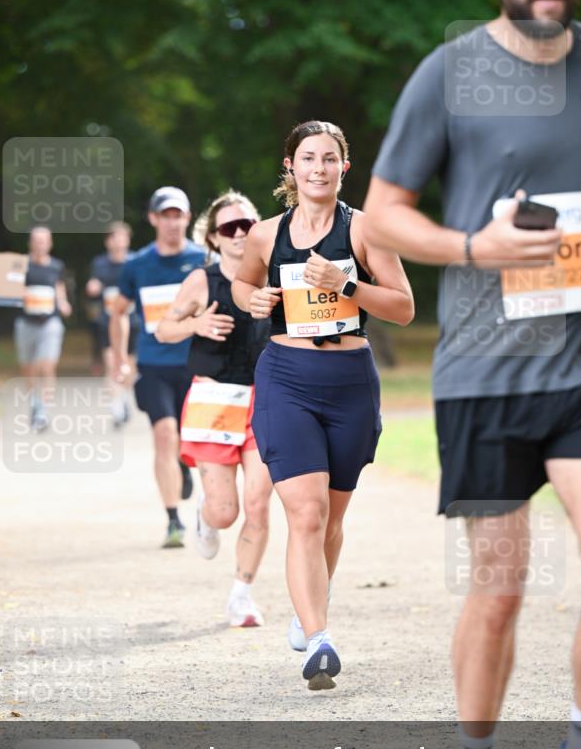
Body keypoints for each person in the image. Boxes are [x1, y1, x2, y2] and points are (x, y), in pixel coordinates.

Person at [363, 0, 581, 749]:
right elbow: (382, 212)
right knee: (501, 587)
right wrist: (470, 247)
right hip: (483, 367)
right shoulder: (449, 73)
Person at [232, 120, 414, 690]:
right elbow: (242, 284)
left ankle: (308, 602)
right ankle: (319, 640)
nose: (318, 168)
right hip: (287, 375)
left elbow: (404, 308)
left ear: (344, 168)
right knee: (305, 514)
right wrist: (254, 298)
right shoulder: (265, 235)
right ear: (290, 166)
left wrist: (346, 284)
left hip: (349, 381)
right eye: (307, 158)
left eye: (328, 159)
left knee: (332, 519)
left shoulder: (365, 232)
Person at [155, 190, 272, 627]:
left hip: (267, 399)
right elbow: (164, 330)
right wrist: (195, 323)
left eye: (247, 225)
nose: (240, 233)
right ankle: (206, 513)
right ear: (214, 238)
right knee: (226, 512)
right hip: (215, 399)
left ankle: (241, 595)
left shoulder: (275, 273)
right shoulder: (202, 282)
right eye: (229, 228)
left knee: (258, 503)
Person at [110, 187, 207, 548]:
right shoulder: (136, 265)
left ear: (187, 218)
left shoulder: (203, 259)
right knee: (164, 434)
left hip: (196, 364)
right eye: (164, 215)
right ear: (153, 219)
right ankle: (173, 521)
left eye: (177, 215)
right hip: (153, 365)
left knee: (193, 442)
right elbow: (118, 312)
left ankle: (186, 469)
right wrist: (120, 358)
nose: (171, 222)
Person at [14, 226, 72, 431]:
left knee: (46, 366)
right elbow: (12, 286)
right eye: (36, 241)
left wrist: (63, 302)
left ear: (49, 243)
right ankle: (33, 403)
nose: (40, 244)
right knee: (28, 368)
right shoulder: (21, 265)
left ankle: (43, 410)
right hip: (26, 322)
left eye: (43, 241)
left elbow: (59, 286)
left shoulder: (56, 266)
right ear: (31, 243)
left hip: (50, 322)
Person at [85, 221, 139, 428]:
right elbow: (94, 283)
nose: (118, 241)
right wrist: (93, 286)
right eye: (113, 237)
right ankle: (116, 407)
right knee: (111, 363)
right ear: (108, 242)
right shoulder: (100, 264)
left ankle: (124, 397)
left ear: (127, 239)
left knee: (129, 365)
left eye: (122, 237)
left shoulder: (135, 261)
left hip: (132, 321)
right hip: (107, 322)